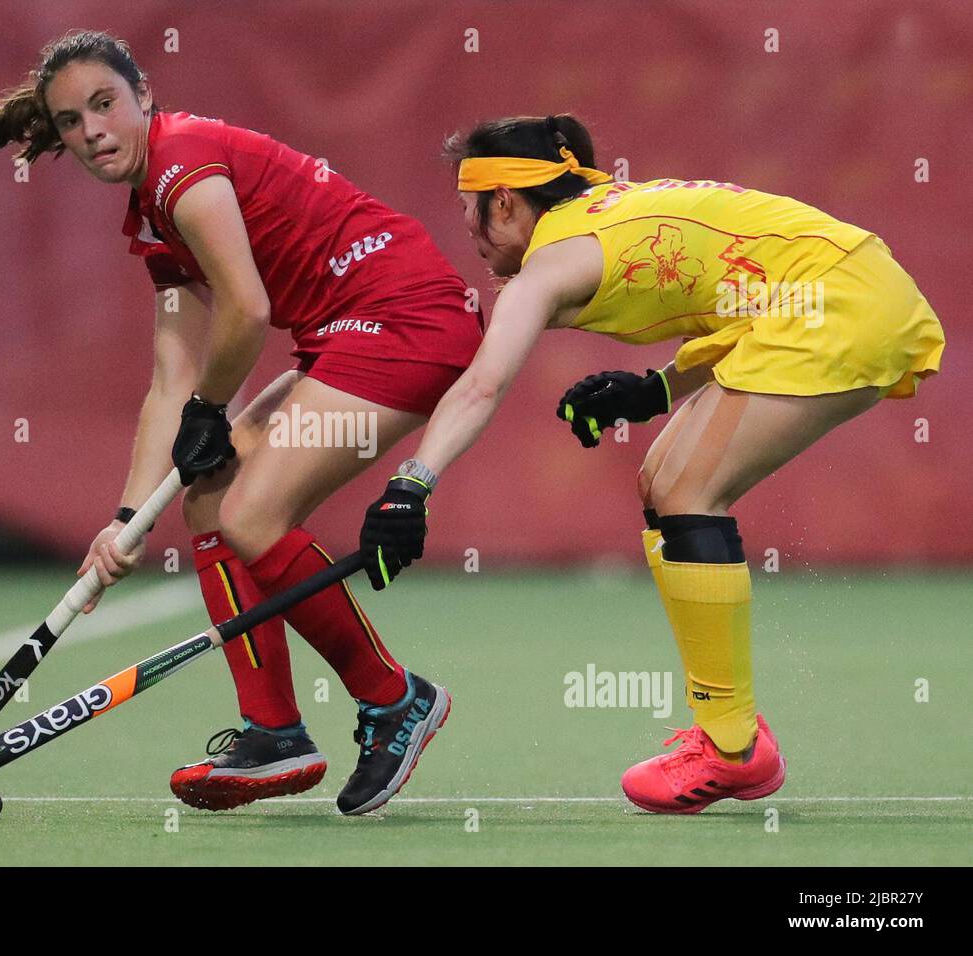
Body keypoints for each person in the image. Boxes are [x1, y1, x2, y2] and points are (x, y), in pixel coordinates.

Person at [358, 113, 945, 813]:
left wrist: (409, 485)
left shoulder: (549, 263)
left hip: (841, 305)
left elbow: (483, 385)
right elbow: (749, 291)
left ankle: (733, 750)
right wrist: (656, 388)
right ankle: (727, 735)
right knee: (665, 483)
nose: (469, 229)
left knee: (691, 488)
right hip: (836, 291)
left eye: (470, 209)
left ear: (506, 201)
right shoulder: (614, 211)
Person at [0, 31, 479, 814]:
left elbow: (248, 310)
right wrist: (123, 523)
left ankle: (395, 699)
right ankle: (273, 731)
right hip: (345, 336)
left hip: (401, 319)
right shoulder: (153, 214)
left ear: (143, 93)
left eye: (105, 105)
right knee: (209, 499)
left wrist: (211, 410)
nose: (93, 131)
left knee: (253, 512)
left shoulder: (181, 162)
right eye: (72, 122)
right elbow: (170, 380)